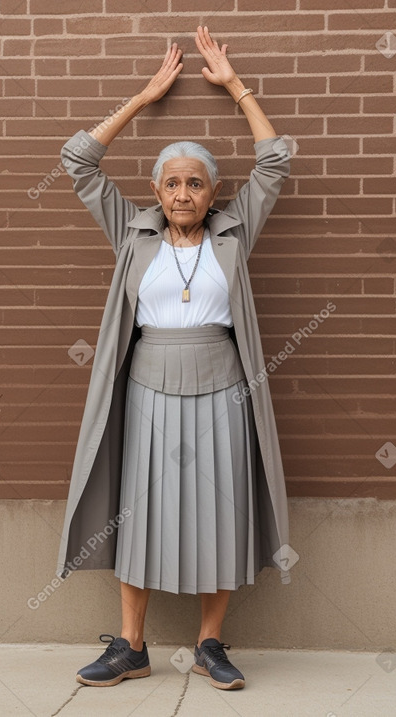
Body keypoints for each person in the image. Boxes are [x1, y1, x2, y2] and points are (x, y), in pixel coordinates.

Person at [57, 25, 292, 692]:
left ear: (213, 192)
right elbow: (78, 160)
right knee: (140, 513)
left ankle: (211, 642)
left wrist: (236, 88)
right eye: (171, 183)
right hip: (147, 391)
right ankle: (130, 645)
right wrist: (144, 95)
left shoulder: (235, 232)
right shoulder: (131, 233)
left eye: (195, 183)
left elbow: (274, 158)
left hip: (224, 390)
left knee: (217, 513)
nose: (183, 194)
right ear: (156, 192)